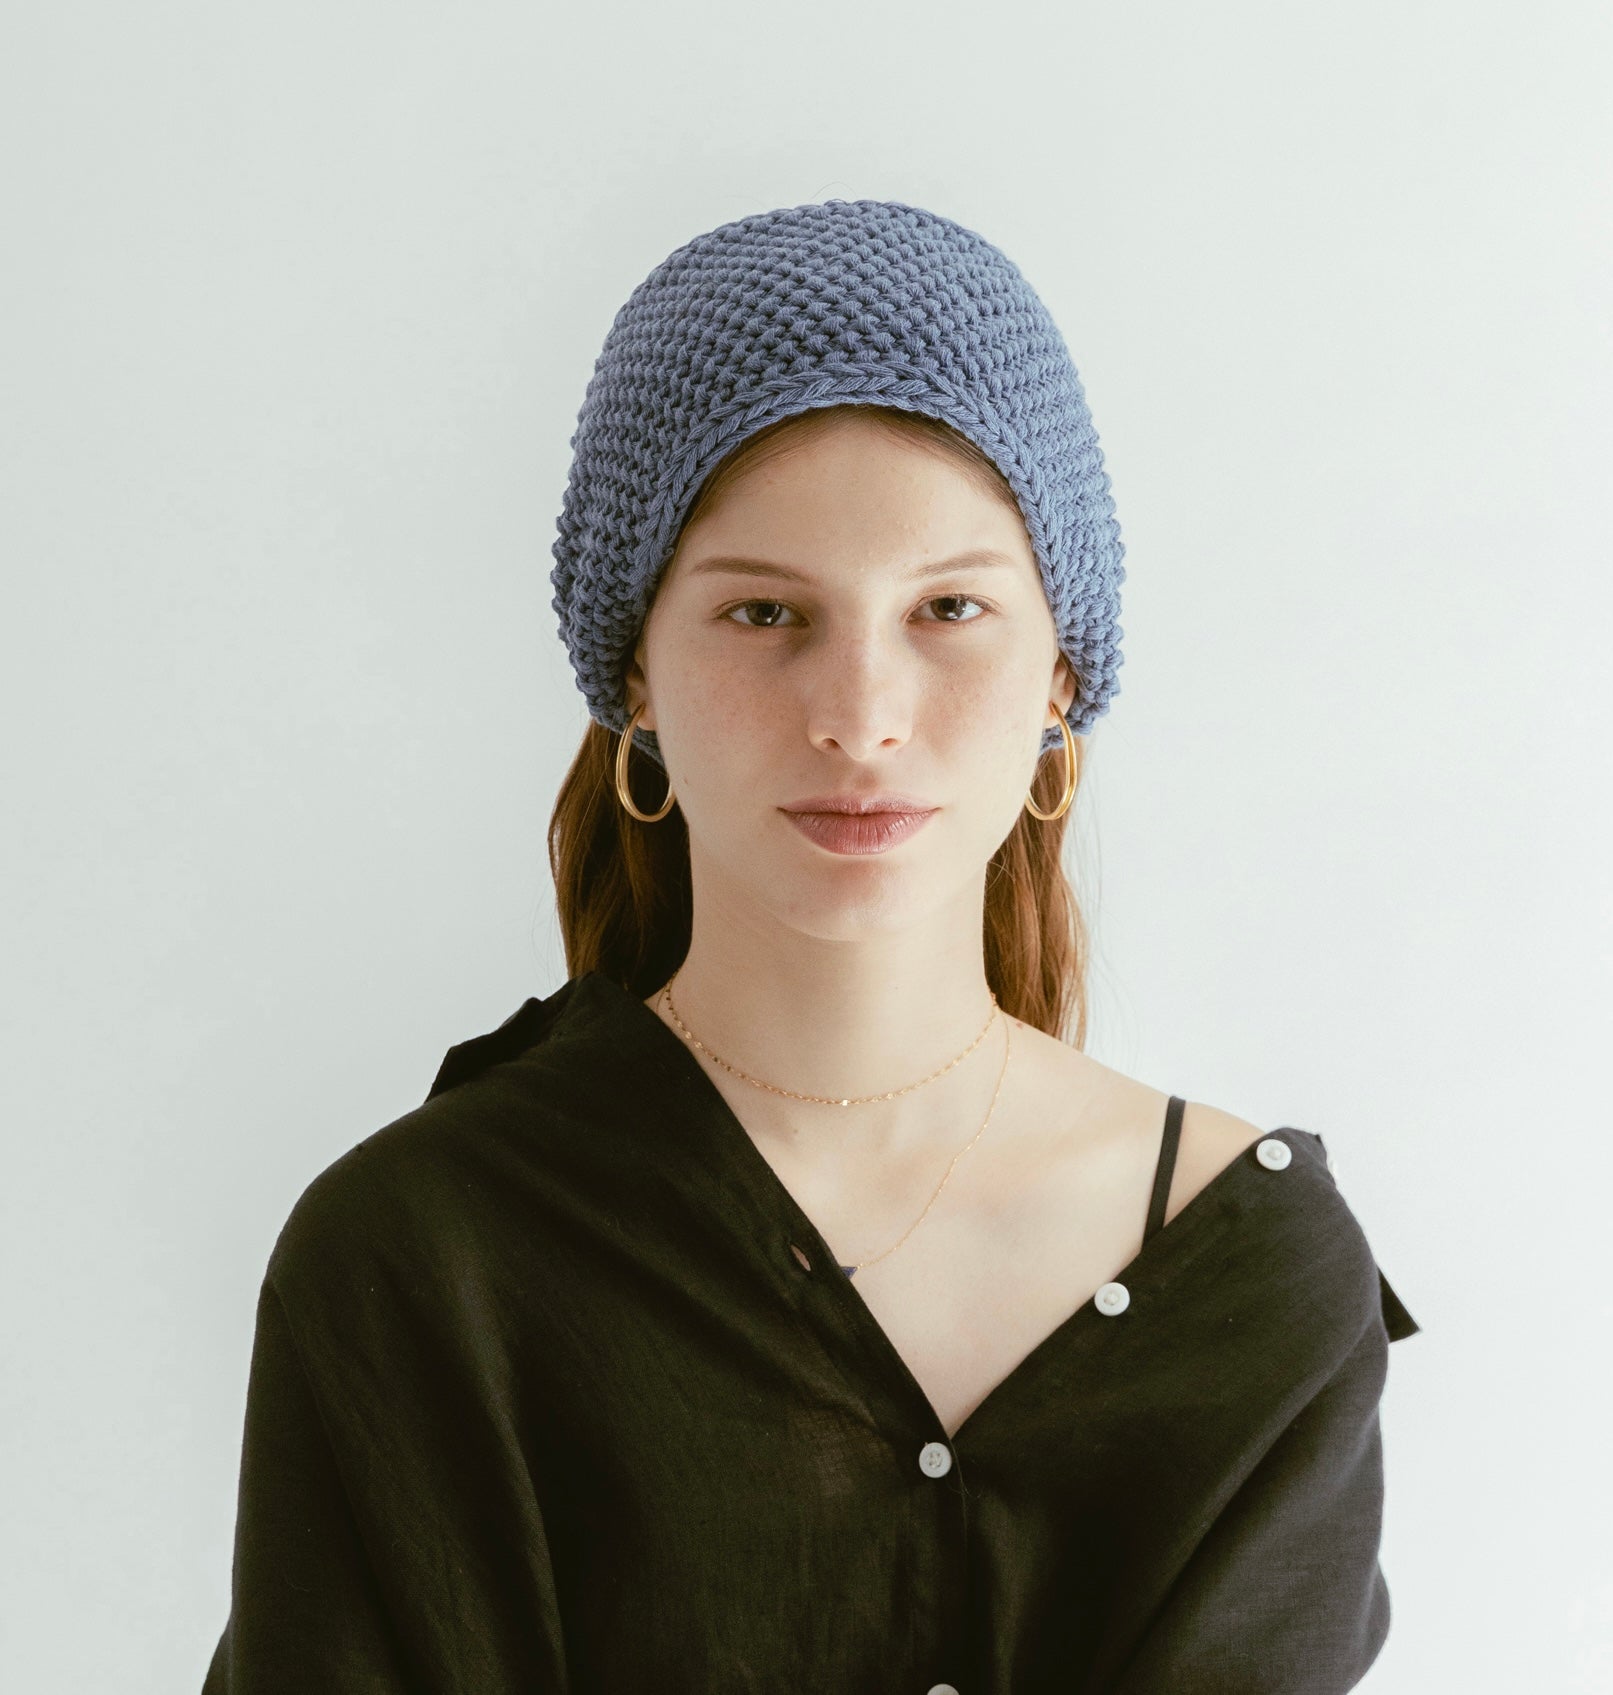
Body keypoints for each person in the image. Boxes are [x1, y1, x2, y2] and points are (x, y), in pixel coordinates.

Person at [202, 199, 1419, 1694]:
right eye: (766, 611)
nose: (860, 715)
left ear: (1061, 672)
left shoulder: (1244, 1270)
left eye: (949, 607)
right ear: (635, 677)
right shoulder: (422, 1259)